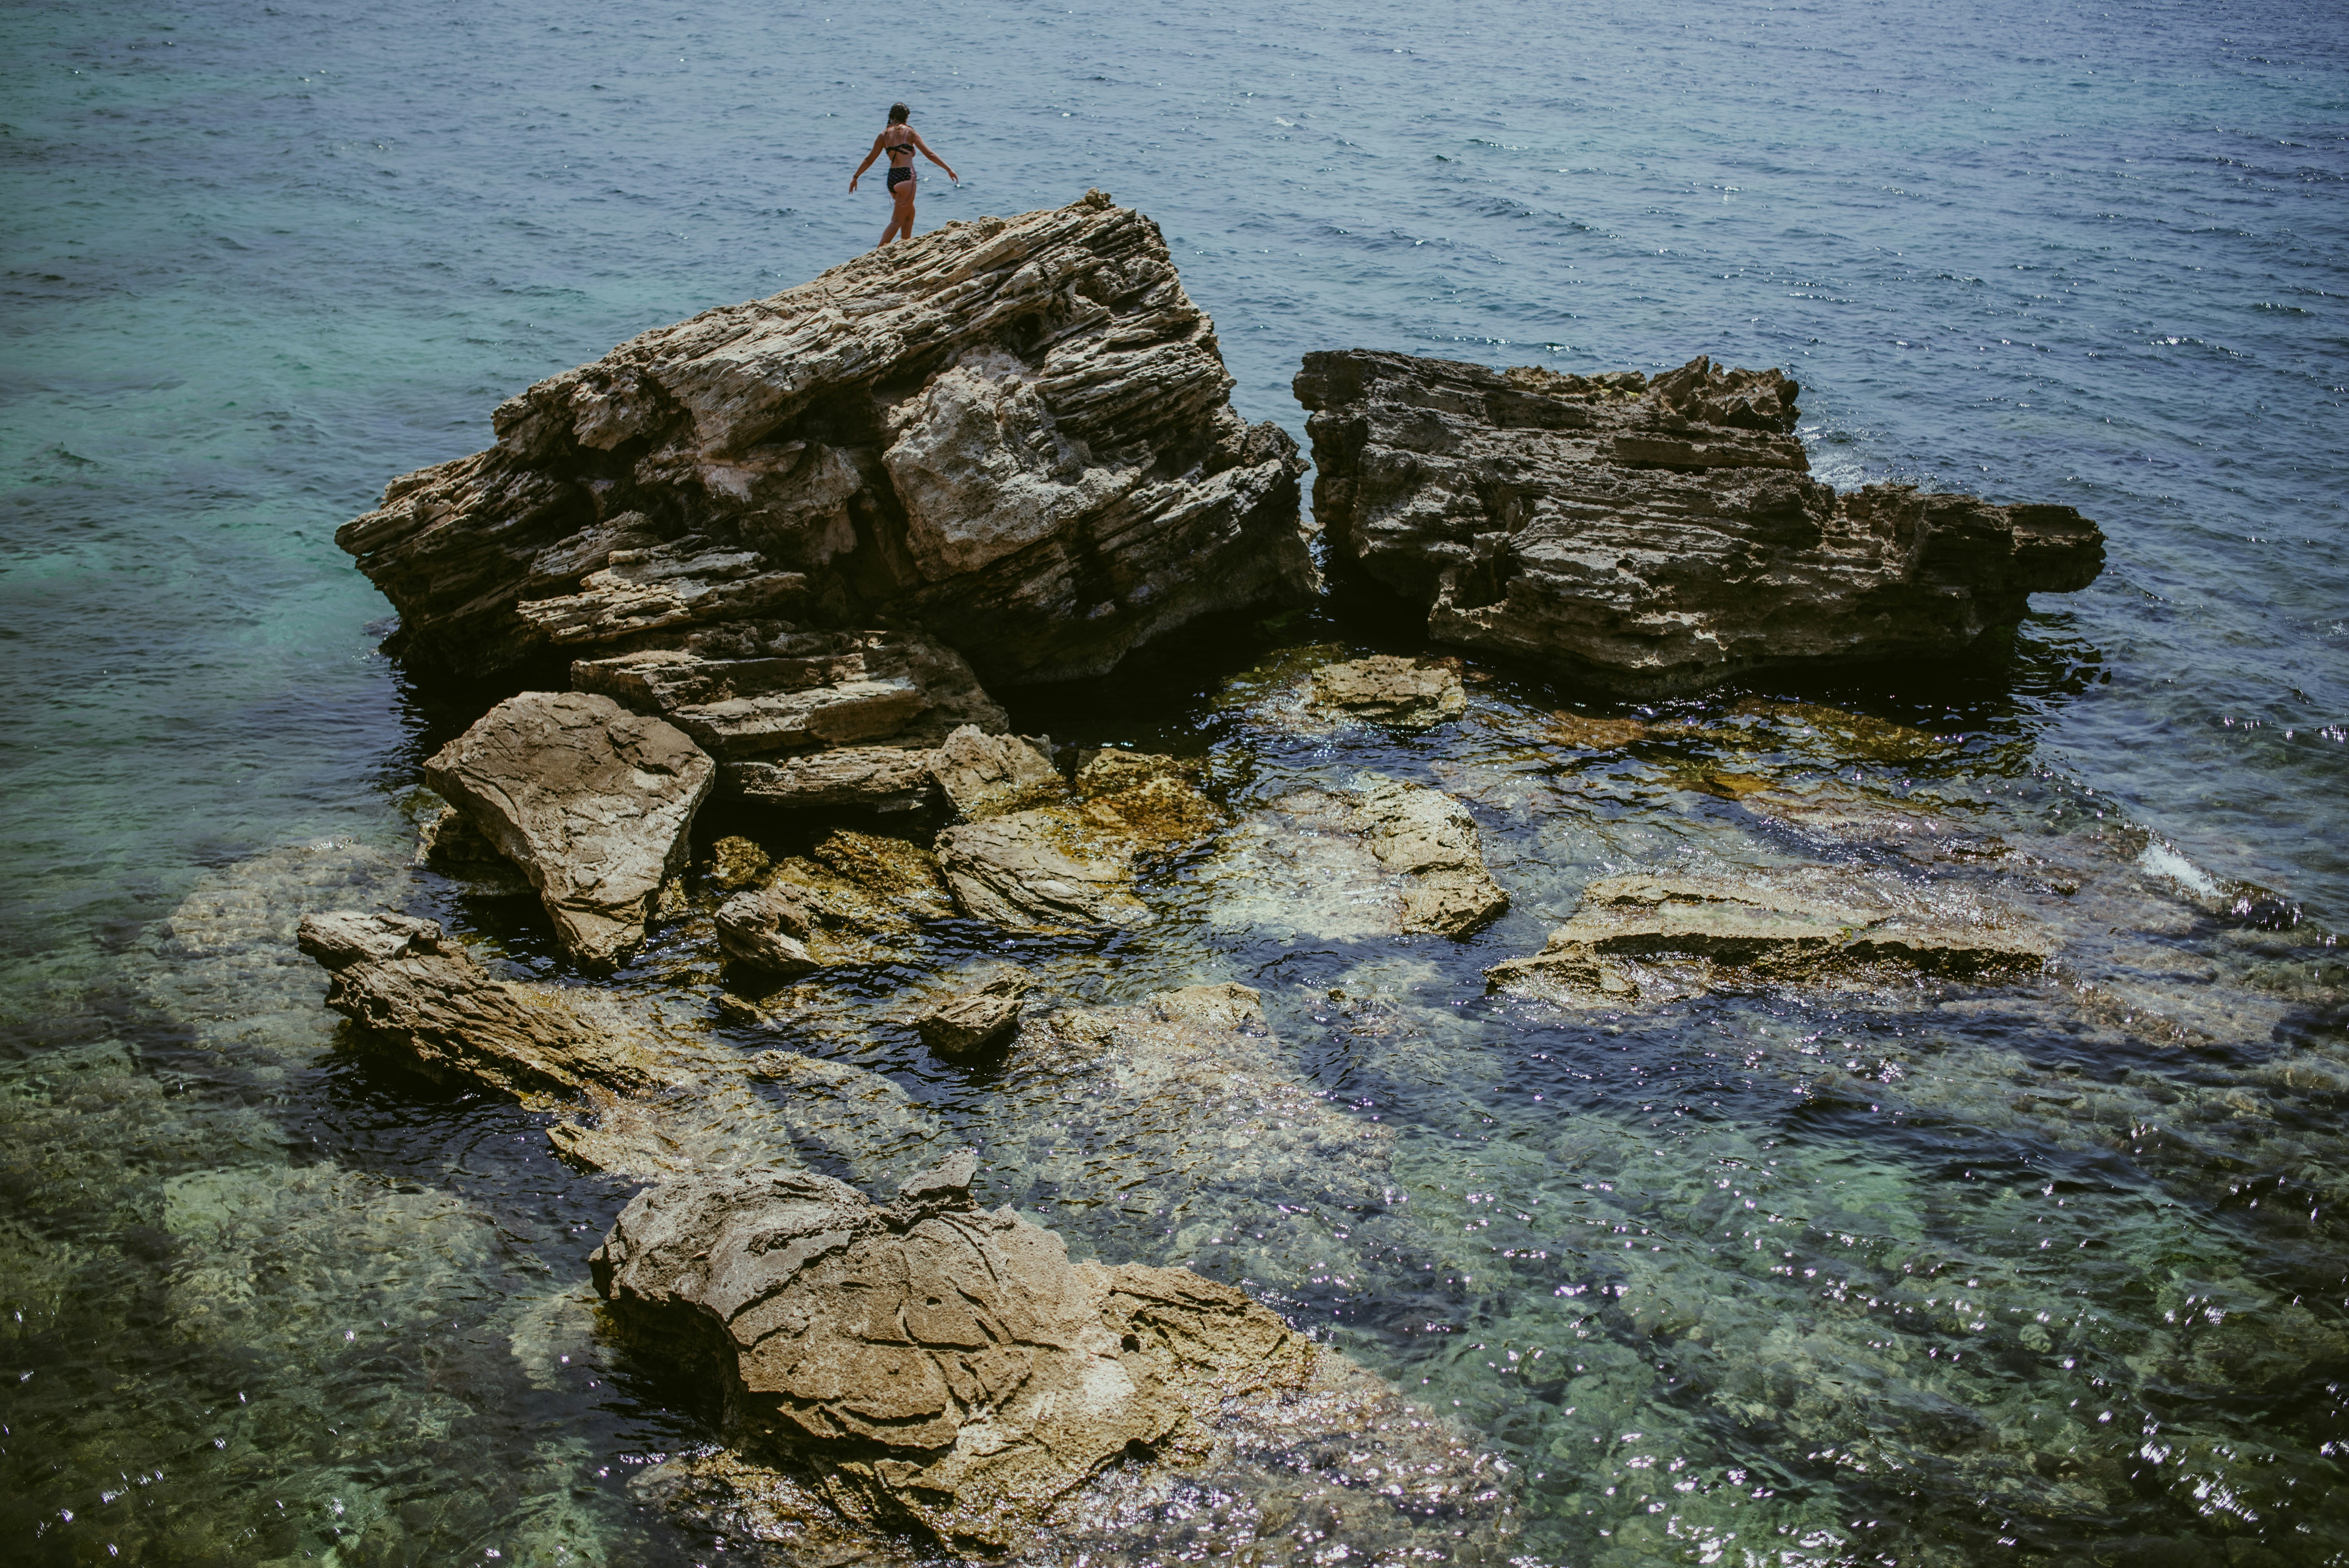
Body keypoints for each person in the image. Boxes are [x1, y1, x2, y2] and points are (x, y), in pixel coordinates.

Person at [849, 102, 957, 248]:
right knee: (897, 221)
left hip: (892, 179)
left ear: (892, 116)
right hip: (907, 177)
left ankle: (906, 247)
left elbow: (869, 159)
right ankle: (878, 252)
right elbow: (929, 154)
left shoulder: (884, 135)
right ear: (906, 117)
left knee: (910, 214)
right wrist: (948, 169)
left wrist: (856, 177)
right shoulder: (910, 132)